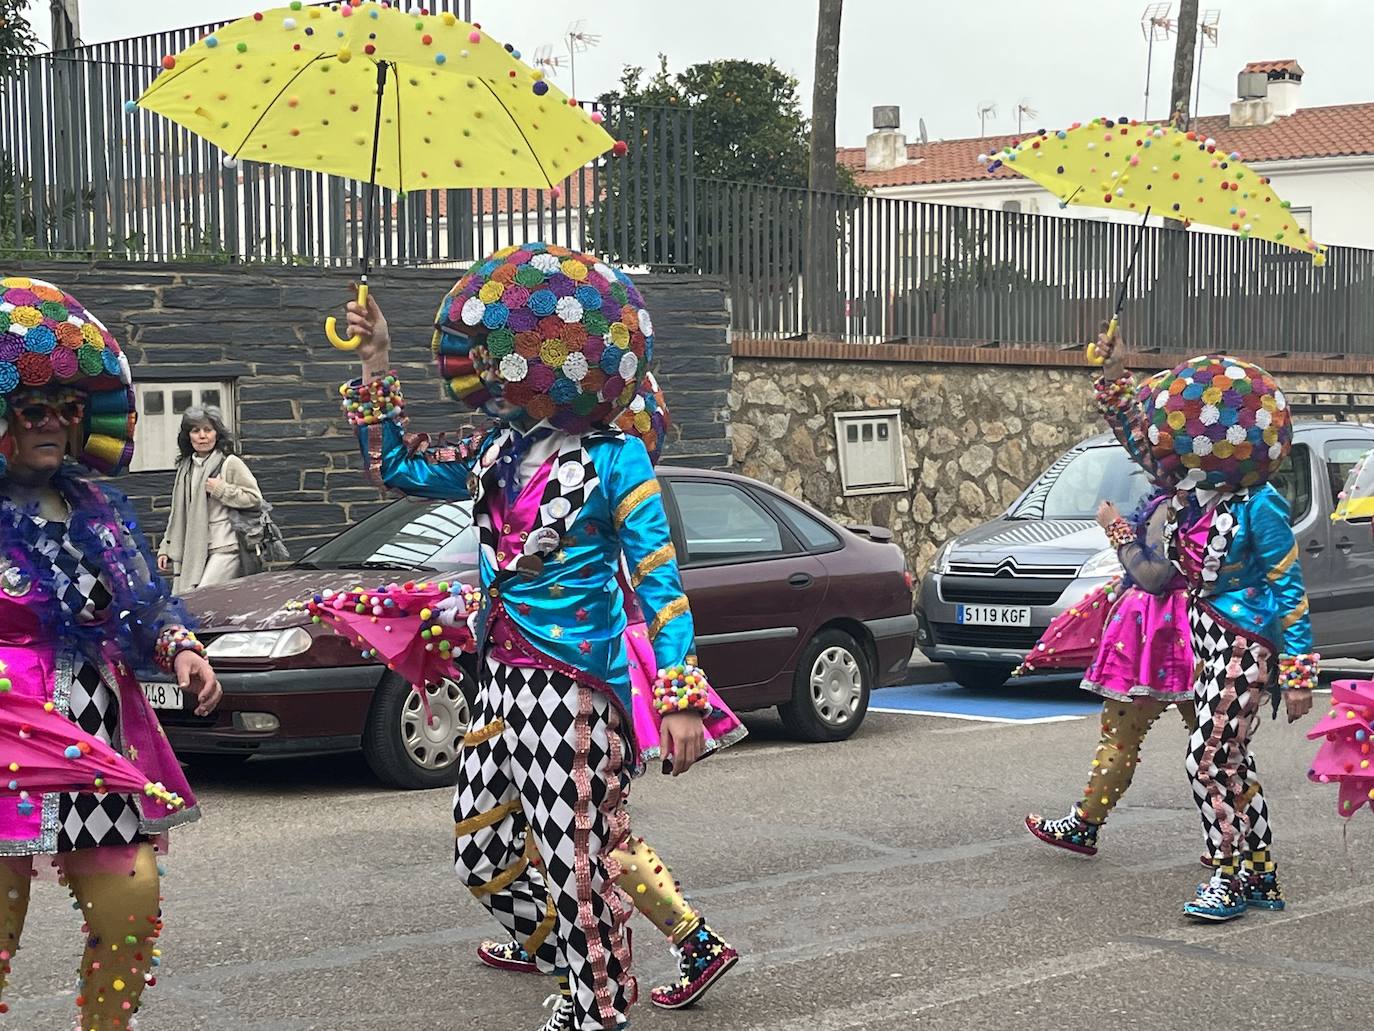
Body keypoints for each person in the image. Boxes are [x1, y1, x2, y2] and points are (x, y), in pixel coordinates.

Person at [341, 242, 715, 1031]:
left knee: (575, 858)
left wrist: (678, 695)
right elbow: (398, 469)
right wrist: (376, 361)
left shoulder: (619, 462)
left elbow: (659, 581)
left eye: (502, 350)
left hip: (572, 683)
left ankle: (597, 1006)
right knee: (481, 852)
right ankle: (586, 966)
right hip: (497, 679)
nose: (487, 364)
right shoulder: (494, 451)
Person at [0, 276, 222, 1030]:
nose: (53, 425)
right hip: (7, 740)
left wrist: (178, 644)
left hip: (98, 738)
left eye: (65, 409)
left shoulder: (93, 504)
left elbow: (143, 598)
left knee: (130, 905)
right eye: (33, 408)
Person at [156, 405, 263, 593]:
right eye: (196, 431)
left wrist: (221, 490)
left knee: (202, 596)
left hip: (226, 546)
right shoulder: (185, 468)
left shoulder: (230, 463)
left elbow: (254, 498)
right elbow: (177, 514)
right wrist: (166, 547)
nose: (202, 436)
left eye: (208, 430)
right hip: (194, 549)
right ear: (188, 436)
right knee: (188, 602)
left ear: (217, 434)